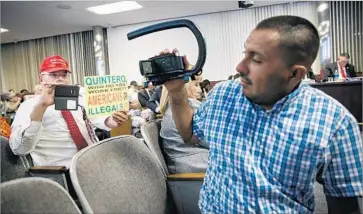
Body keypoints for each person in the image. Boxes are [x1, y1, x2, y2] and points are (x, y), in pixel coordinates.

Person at [162, 16, 362, 213]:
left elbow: (344, 206)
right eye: (245, 53)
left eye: (256, 59)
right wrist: (176, 90)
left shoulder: (335, 124)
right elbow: (190, 134)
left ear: (295, 74)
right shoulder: (223, 95)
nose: (239, 67)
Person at [9, 55, 129, 168]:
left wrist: (110, 120)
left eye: (64, 75)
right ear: (41, 78)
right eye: (53, 75)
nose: (60, 79)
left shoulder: (79, 99)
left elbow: (98, 119)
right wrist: (41, 107)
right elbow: (19, 148)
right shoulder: (29, 106)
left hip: (94, 160)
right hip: (62, 172)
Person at [159, 77, 208, 174]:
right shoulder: (187, 109)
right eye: (196, 85)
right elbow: (211, 141)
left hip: (188, 160)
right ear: (183, 86)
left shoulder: (171, 109)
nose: (199, 89)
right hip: (191, 166)